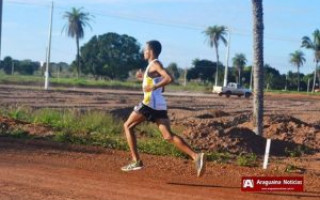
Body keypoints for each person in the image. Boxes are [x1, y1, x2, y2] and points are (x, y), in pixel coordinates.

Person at [121, 40, 206, 177]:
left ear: (151, 51)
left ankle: (136, 161)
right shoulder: (152, 67)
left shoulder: (155, 64)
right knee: (168, 136)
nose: (144, 52)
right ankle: (196, 156)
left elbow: (169, 78)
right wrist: (143, 78)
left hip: (149, 104)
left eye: (145, 49)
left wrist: (153, 87)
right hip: (159, 105)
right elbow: (163, 85)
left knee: (127, 126)